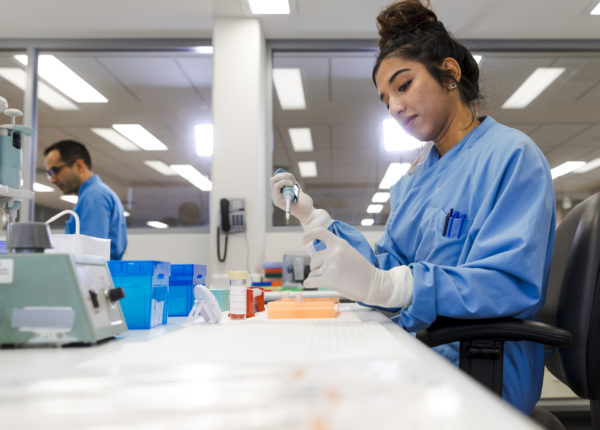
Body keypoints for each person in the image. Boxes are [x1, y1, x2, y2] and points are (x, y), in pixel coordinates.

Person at [270, 0, 555, 416]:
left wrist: (401, 288)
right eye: (385, 99)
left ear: (450, 74)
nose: (395, 107)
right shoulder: (415, 181)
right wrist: (314, 220)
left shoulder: (511, 157)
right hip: (419, 351)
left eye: (403, 86)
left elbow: (508, 284)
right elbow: (385, 269)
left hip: (480, 368)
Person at [44, 139, 128, 260]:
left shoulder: (93, 196)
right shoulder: (96, 193)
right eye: (49, 174)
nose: (52, 180)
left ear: (79, 166)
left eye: (55, 171)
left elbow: (90, 257)